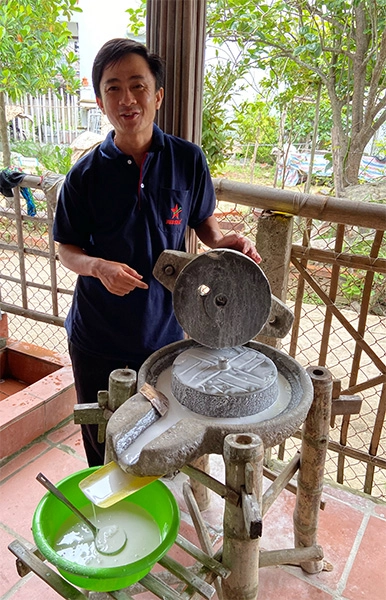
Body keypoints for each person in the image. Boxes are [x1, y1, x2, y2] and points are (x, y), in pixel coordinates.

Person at [53, 38, 261, 467]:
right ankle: (107, 521)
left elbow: (203, 223)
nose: (127, 99)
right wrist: (99, 266)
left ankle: (148, 517)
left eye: (137, 85)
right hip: (98, 336)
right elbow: (65, 250)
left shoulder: (187, 159)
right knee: (103, 441)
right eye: (113, 88)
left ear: (157, 95)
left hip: (166, 334)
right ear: (99, 100)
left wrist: (224, 244)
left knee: (157, 439)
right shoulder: (84, 176)